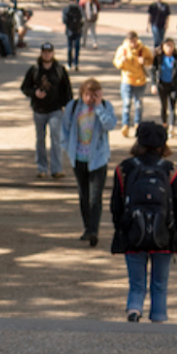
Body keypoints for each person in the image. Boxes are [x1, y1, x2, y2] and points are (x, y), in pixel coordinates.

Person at [110, 121, 177, 322]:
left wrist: (121, 228)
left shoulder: (124, 169)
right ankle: (159, 318)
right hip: (163, 234)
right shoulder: (172, 171)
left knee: (136, 282)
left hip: (134, 232)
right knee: (160, 283)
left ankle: (134, 309)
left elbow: (115, 204)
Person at [60, 78, 117, 247]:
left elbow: (110, 125)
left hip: (98, 158)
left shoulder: (105, 107)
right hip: (78, 157)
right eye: (87, 95)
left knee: (95, 195)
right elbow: (65, 128)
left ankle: (94, 230)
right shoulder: (73, 107)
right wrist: (67, 149)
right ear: (81, 94)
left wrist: (98, 106)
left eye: (93, 95)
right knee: (83, 195)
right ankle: (87, 227)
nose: (89, 99)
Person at [21, 42, 72, 179]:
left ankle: (57, 169)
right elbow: (25, 87)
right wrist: (34, 93)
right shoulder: (35, 70)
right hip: (39, 109)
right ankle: (41, 168)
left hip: (55, 109)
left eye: (49, 52)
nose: (47, 54)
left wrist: (67, 107)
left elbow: (67, 90)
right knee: (40, 139)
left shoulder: (59, 70)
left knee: (56, 139)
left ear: (53, 53)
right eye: (44, 52)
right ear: (41, 53)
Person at [113, 30, 155, 138]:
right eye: (131, 42)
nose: (133, 44)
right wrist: (122, 61)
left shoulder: (143, 49)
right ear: (127, 41)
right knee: (126, 104)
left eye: (135, 41)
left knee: (138, 105)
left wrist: (144, 61)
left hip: (140, 81)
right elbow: (116, 63)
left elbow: (151, 60)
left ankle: (137, 125)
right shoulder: (123, 49)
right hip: (127, 80)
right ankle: (125, 125)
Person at [152, 38, 177, 137]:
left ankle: (171, 127)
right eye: (167, 46)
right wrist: (153, 84)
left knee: (172, 106)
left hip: (174, 85)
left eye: (171, 46)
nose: (169, 48)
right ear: (163, 47)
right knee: (163, 106)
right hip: (162, 84)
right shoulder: (158, 58)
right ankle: (164, 124)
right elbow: (153, 71)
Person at [62, 0, 84, 70]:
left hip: (69, 31)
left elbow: (64, 20)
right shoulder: (79, 9)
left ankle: (69, 63)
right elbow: (82, 19)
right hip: (78, 30)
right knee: (77, 47)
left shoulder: (66, 9)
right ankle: (76, 63)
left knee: (69, 47)